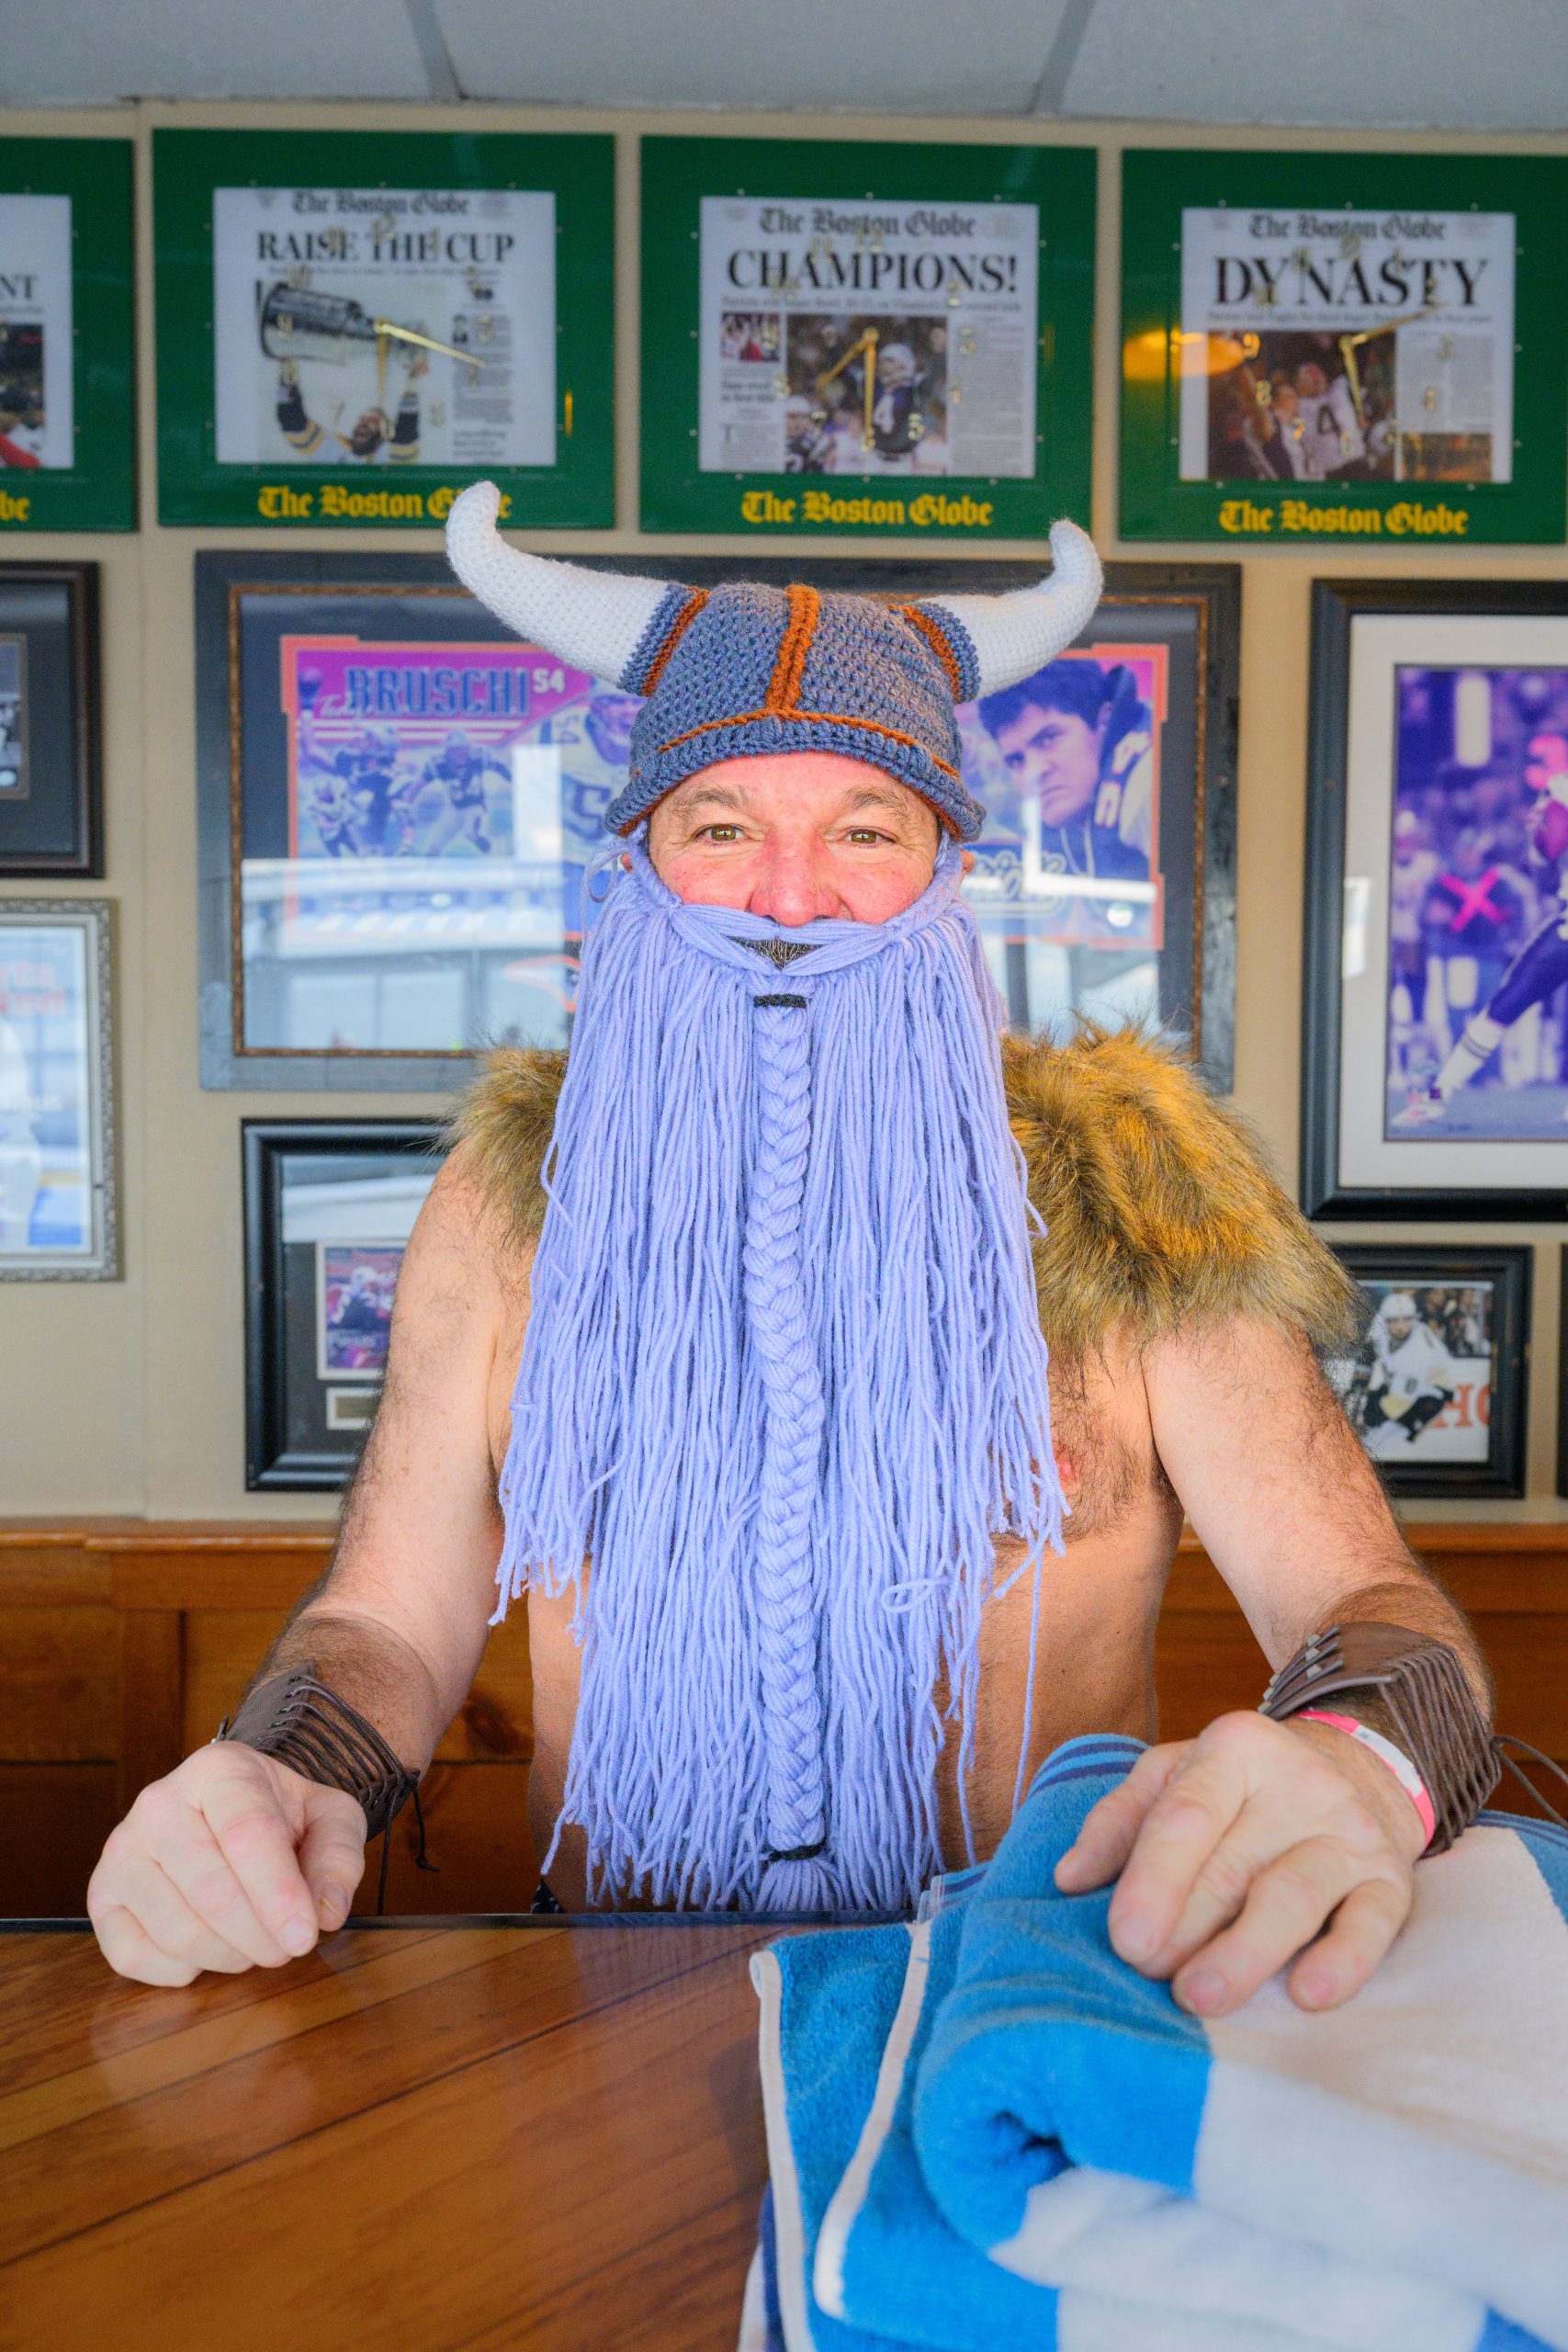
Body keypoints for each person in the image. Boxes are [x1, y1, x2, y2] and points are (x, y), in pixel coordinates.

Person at [90, 486, 1496, 2027]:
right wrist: (275, 1775)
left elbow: (1364, 1601)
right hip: (616, 2007)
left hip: (1018, 1999)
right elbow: (382, 1623)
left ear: (946, 863)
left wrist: (1355, 1767)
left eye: (861, 830)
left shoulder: (1132, 1187)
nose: (785, 898)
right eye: (720, 827)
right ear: (638, 856)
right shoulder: (509, 1208)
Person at [1360, 1293, 1457, 1457]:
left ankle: (1411, 1430)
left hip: (1431, 1393)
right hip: (1401, 1381)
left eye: (1406, 1319)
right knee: (1373, 1406)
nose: (1400, 1326)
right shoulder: (1382, 1325)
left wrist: (1369, 1422)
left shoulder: (1419, 1353)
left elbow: (1399, 1400)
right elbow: (1370, 1344)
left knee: (1388, 1432)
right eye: (1394, 1320)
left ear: (1413, 1319)